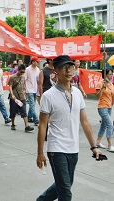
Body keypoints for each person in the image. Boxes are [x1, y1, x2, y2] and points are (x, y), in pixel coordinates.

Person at [36, 55, 103, 201]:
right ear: (56, 70)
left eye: (71, 67)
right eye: (64, 67)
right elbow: (42, 125)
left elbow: (84, 121)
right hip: (56, 148)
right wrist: (40, 153)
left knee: (65, 184)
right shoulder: (48, 96)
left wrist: (94, 146)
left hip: (73, 148)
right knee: (65, 192)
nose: (68, 71)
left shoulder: (77, 93)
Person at [8, 65, 34, 132]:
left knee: (24, 111)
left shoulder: (23, 77)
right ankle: (13, 124)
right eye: (21, 72)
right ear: (18, 70)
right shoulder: (12, 77)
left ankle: (26, 126)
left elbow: (24, 85)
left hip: (22, 97)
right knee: (13, 111)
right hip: (14, 98)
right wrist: (12, 95)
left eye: (23, 72)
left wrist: (25, 93)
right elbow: (10, 86)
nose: (22, 73)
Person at [95, 68, 114, 152]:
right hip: (102, 107)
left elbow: (112, 97)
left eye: (112, 74)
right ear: (105, 75)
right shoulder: (100, 84)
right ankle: (110, 145)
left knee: (104, 125)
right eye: (110, 74)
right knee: (110, 125)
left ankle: (98, 142)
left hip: (109, 107)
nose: (111, 75)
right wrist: (103, 87)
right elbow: (98, 97)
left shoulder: (111, 85)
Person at [25, 57, 41, 126]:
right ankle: (36, 118)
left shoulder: (38, 70)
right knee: (32, 104)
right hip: (29, 89)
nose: (38, 63)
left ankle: (29, 117)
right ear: (33, 62)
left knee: (33, 104)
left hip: (36, 89)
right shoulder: (27, 69)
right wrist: (25, 89)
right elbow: (24, 79)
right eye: (37, 62)